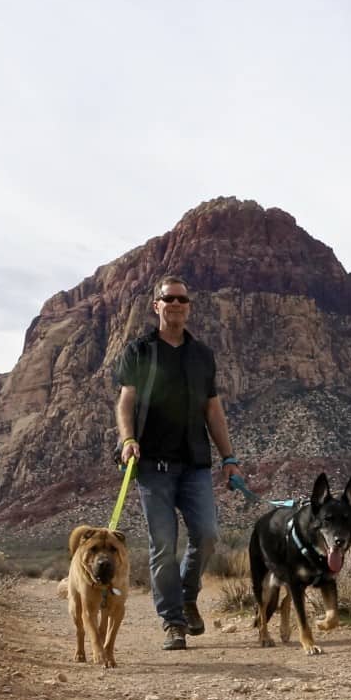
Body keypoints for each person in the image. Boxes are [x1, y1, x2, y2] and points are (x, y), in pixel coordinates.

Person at [114, 275, 242, 651]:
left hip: (195, 463)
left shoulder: (202, 355)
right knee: (163, 545)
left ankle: (187, 597)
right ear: (156, 305)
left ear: (189, 306)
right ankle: (173, 622)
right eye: (169, 299)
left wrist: (229, 458)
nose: (176, 304)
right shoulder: (140, 351)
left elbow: (213, 409)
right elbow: (125, 401)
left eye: (183, 299)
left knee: (206, 535)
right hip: (152, 465)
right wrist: (128, 440)